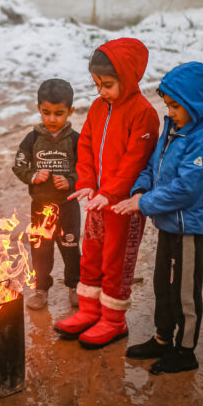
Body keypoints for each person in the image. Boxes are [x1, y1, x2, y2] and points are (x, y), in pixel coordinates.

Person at [115, 61, 203, 374]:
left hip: (189, 231)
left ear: (195, 103)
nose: (171, 112)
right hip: (167, 226)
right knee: (162, 286)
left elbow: (185, 190)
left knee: (184, 294)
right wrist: (139, 189)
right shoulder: (172, 129)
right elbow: (152, 166)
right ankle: (162, 340)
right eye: (168, 105)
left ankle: (185, 351)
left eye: (176, 106)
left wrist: (143, 204)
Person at [54, 38, 159, 349]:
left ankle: (114, 319)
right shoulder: (100, 108)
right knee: (93, 254)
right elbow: (85, 144)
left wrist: (111, 193)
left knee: (117, 259)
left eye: (108, 85)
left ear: (127, 78)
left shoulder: (143, 114)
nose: (101, 92)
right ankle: (90, 310)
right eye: (97, 84)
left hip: (124, 205)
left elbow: (135, 161)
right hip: (99, 199)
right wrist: (86, 181)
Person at [12, 78, 81, 310]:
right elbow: (19, 165)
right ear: (38, 109)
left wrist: (71, 180)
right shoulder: (32, 139)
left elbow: (87, 169)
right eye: (46, 112)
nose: (52, 119)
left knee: (70, 248)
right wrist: (33, 176)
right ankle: (41, 289)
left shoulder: (75, 140)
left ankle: (75, 286)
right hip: (40, 207)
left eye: (59, 113)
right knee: (41, 250)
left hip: (68, 206)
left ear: (70, 111)